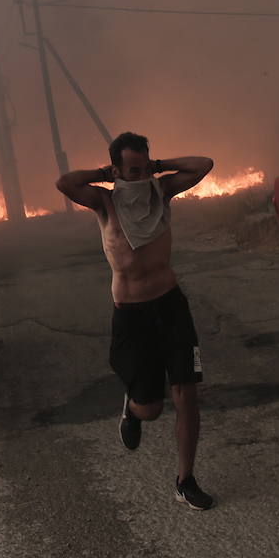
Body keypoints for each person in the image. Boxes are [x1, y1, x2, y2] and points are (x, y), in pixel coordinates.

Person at [56, 132, 216, 511]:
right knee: (152, 408)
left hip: (171, 306)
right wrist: (104, 174)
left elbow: (204, 164)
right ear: (117, 170)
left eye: (146, 167)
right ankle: (133, 406)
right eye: (134, 170)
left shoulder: (161, 191)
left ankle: (185, 480)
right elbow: (65, 183)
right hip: (132, 313)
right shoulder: (105, 201)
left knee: (186, 394)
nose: (142, 176)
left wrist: (158, 168)